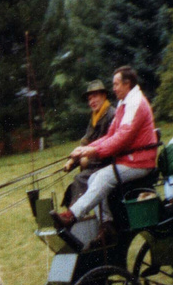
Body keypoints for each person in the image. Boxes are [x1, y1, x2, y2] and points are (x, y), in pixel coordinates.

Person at [53, 66, 159, 228]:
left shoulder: (135, 103)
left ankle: (72, 215)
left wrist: (93, 151)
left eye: (116, 84)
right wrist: (83, 150)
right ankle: (107, 224)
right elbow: (110, 136)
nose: (114, 88)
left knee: (102, 178)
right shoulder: (125, 103)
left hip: (140, 162)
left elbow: (122, 138)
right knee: (94, 178)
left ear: (127, 83)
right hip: (130, 160)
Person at [60, 79, 116, 209]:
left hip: (107, 162)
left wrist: (87, 160)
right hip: (96, 161)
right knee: (78, 179)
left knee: (80, 179)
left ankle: (73, 214)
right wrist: (72, 161)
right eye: (89, 99)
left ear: (104, 95)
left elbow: (108, 145)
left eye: (95, 96)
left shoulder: (111, 115)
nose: (92, 101)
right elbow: (86, 141)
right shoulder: (95, 117)